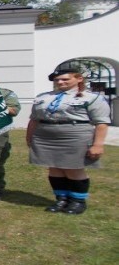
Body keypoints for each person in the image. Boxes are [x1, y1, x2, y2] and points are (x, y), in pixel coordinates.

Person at [27, 68, 110, 215]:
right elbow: (34, 119)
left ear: (79, 79)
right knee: (54, 168)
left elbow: (101, 123)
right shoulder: (44, 97)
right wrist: (29, 137)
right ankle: (61, 199)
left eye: (65, 79)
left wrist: (98, 144)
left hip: (75, 135)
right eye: (57, 79)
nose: (60, 82)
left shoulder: (91, 98)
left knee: (73, 168)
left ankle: (77, 201)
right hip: (46, 135)